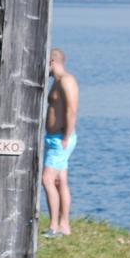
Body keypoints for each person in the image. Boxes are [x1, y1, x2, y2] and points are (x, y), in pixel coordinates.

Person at [41, 48, 78, 237]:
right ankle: (64, 225)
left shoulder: (66, 81)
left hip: (60, 140)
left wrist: (66, 137)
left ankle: (54, 226)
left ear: (52, 62)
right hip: (54, 138)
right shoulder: (55, 82)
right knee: (59, 181)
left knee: (46, 180)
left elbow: (72, 110)